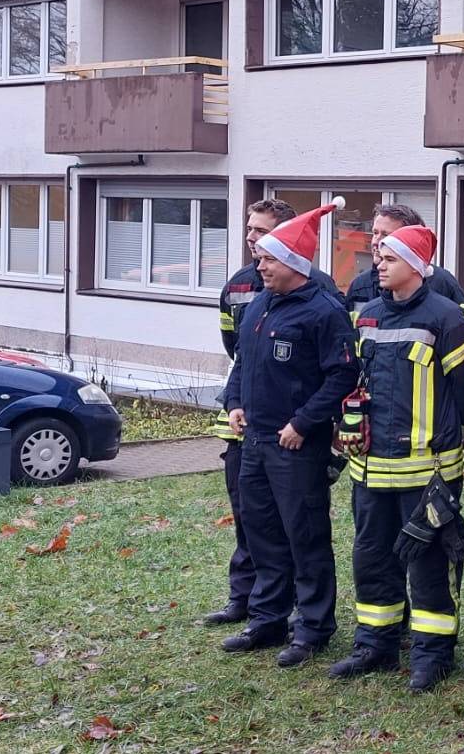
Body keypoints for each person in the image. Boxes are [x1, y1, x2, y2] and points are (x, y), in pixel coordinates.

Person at [329, 224, 464, 692]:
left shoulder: (448, 318)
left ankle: (432, 654)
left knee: (430, 562)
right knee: (371, 556)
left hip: (428, 471)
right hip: (371, 468)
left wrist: (450, 443)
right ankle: (375, 642)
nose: (378, 264)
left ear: (416, 266)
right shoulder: (369, 316)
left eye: (389, 258)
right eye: (379, 258)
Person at [219, 197, 360, 667]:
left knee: (305, 536)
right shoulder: (261, 301)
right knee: (261, 532)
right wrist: (235, 402)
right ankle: (266, 618)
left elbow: (341, 376)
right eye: (260, 259)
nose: (259, 266)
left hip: (296, 445)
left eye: (269, 260)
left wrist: (303, 423)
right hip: (255, 440)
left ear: (295, 263)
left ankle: (313, 627)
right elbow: (244, 360)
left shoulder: (323, 311)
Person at [202, 197, 298, 629]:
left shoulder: (311, 291)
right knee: (246, 515)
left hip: (285, 427)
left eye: (261, 231)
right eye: (249, 228)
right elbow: (236, 351)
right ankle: (243, 596)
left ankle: (284, 602)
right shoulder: (239, 286)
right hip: (241, 421)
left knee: (287, 521)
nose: (250, 237)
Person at [347, 203, 464, 324]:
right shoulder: (360, 285)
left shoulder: (441, 281)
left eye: (386, 235)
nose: (376, 241)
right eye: (375, 233)